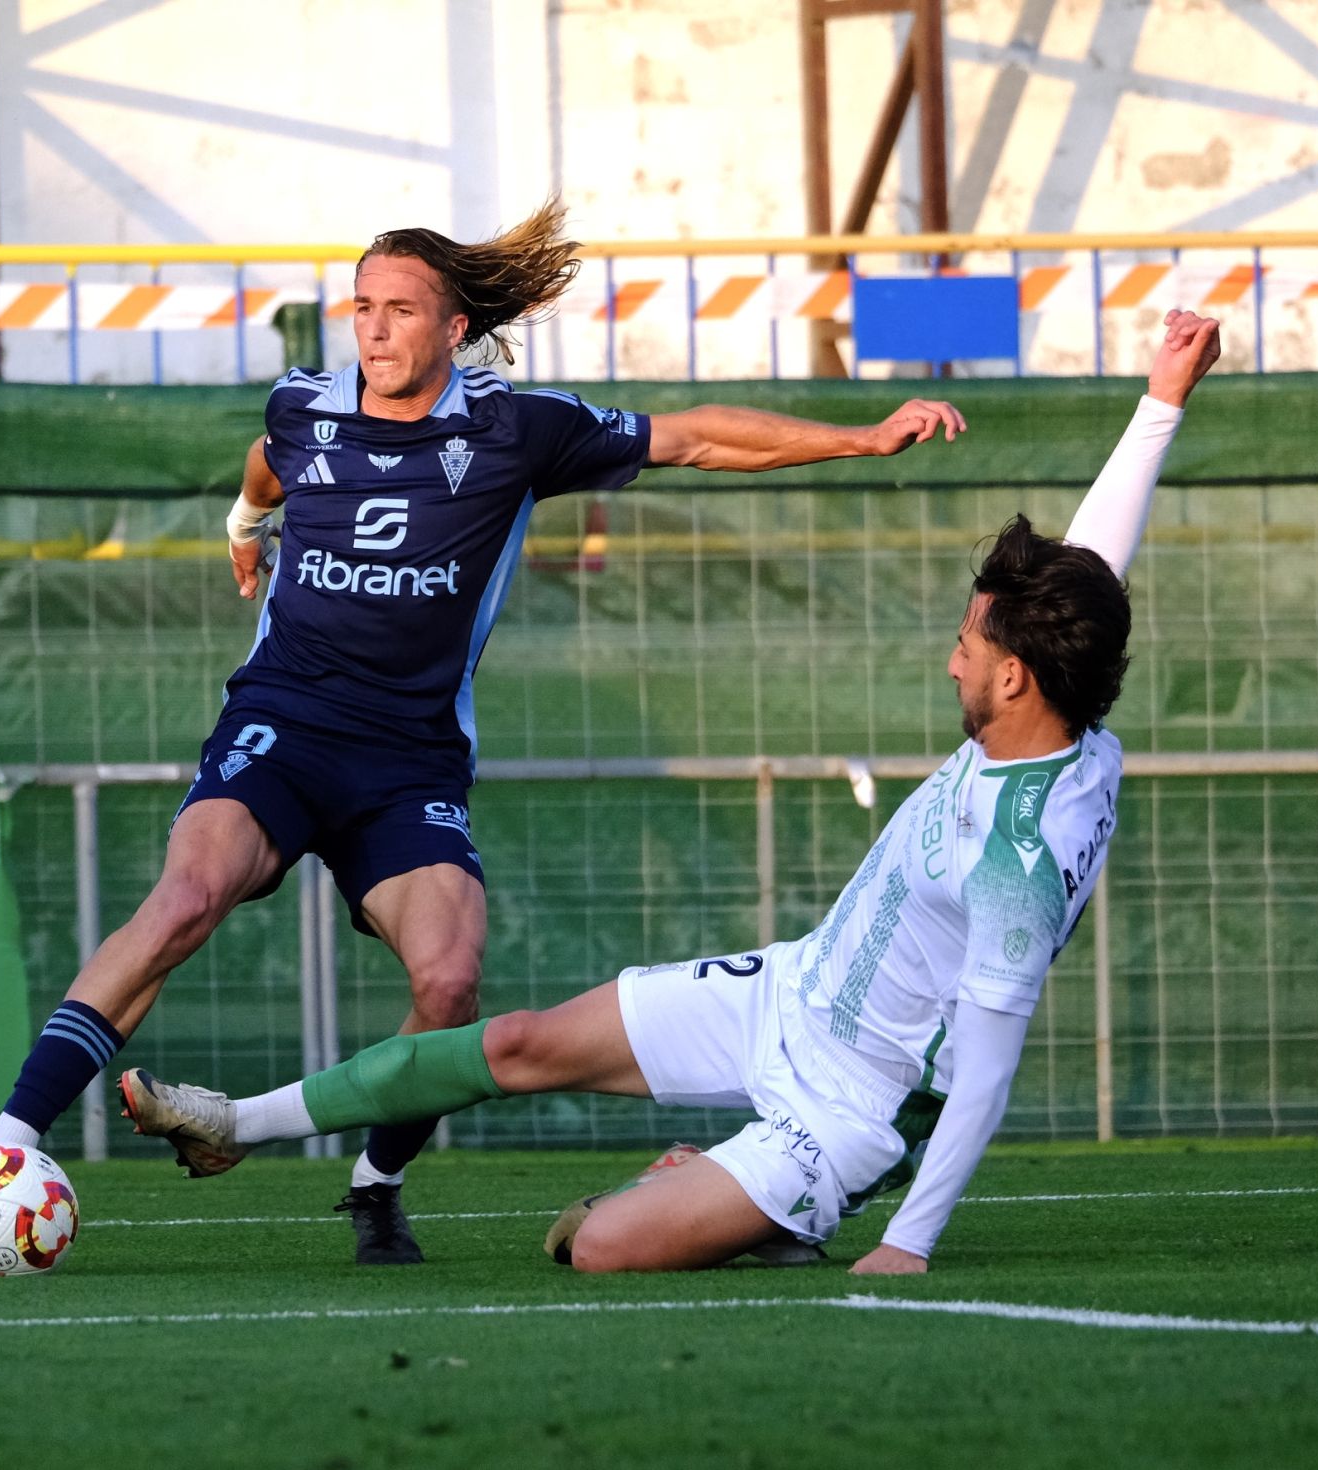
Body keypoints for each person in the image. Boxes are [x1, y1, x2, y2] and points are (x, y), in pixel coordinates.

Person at [118, 309, 1223, 1274]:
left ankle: (757, 1211)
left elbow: (983, 1072)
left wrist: (911, 1242)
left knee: (592, 1246)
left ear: (1017, 676)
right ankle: (234, 1123)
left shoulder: (1019, 861)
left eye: (966, 647)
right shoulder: (1057, 705)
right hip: (790, 992)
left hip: (846, 1111)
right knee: (517, 1045)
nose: (951, 663)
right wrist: (1160, 402)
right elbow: (1094, 569)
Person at [0, 199, 969, 1265]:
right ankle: (8, 1143)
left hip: (407, 761)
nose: (374, 329)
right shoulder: (308, 407)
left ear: (453, 330)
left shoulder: (512, 429)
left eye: (400, 310)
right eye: (362, 307)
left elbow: (694, 438)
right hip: (282, 722)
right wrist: (243, 523)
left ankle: (374, 1184)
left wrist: (862, 435)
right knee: (185, 898)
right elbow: (269, 460)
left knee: (449, 982)